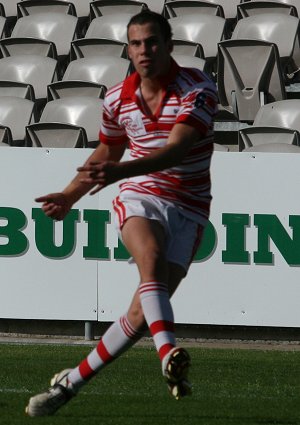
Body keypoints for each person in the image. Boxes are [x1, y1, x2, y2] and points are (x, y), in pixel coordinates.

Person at [25, 10, 218, 417]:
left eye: (151, 41)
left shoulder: (197, 88)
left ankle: (69, 383)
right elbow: (109, 151)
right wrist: (69, 195)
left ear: (168, 44)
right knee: (148, 261)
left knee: (140, 313)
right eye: (136, 43)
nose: (144, 50)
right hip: (141, 191)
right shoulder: (116, 98)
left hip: (190, 203)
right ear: (128, 50)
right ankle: (169, 355)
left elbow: (177, 149)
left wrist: (118, 170)